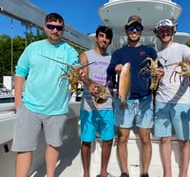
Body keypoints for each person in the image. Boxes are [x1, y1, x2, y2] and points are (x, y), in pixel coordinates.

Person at [11, 13, 83, 177]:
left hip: (57, 109)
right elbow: (20, 72)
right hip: (29, 107)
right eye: (51, 26)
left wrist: (79, 71)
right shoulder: (33, 48)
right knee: (24, 148)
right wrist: (18, 102)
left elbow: (77, 66)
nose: (55, 30)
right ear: (45, 27)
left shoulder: (69, 51)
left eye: (59, 28)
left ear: (63, 30)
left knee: (54, 145)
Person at [107, 15, 164, 177]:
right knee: (122, 137)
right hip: (125, 98)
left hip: (145, 99)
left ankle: (144, 172)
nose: (134, 30)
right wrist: (116, 68)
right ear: (126, 30)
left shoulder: (150, 51)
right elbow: (110, 70)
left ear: (142, 30)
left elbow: (158, 69)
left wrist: (160, 72)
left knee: (145, 138)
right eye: (131, 27)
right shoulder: (118, 53)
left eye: (137, 27)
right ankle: (124, 172)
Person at [152, 19, 190, 177]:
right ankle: (168, 173)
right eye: (162, 30)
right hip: (161, 101)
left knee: (184, 141)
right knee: (164, 139)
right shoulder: (156, 54)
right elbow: (154, 79)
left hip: (182, 102)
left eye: (168, 29)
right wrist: (156, 75)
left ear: (173, 31)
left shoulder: (183, 48)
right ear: (157, 33)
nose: (165, 32)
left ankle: (183, 173)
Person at [79, 26, 114, 177]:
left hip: (107, 105)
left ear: (110, 41)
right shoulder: (85, 55)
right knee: (87, 141)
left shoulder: (112, 59)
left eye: (107, 38)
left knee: (108, 140)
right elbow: (83, 75)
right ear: (96, 38)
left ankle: (103, 172)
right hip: (88, 106)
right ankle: (86, 174)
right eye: (101, 36)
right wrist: (89, 84)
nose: (104, 40)